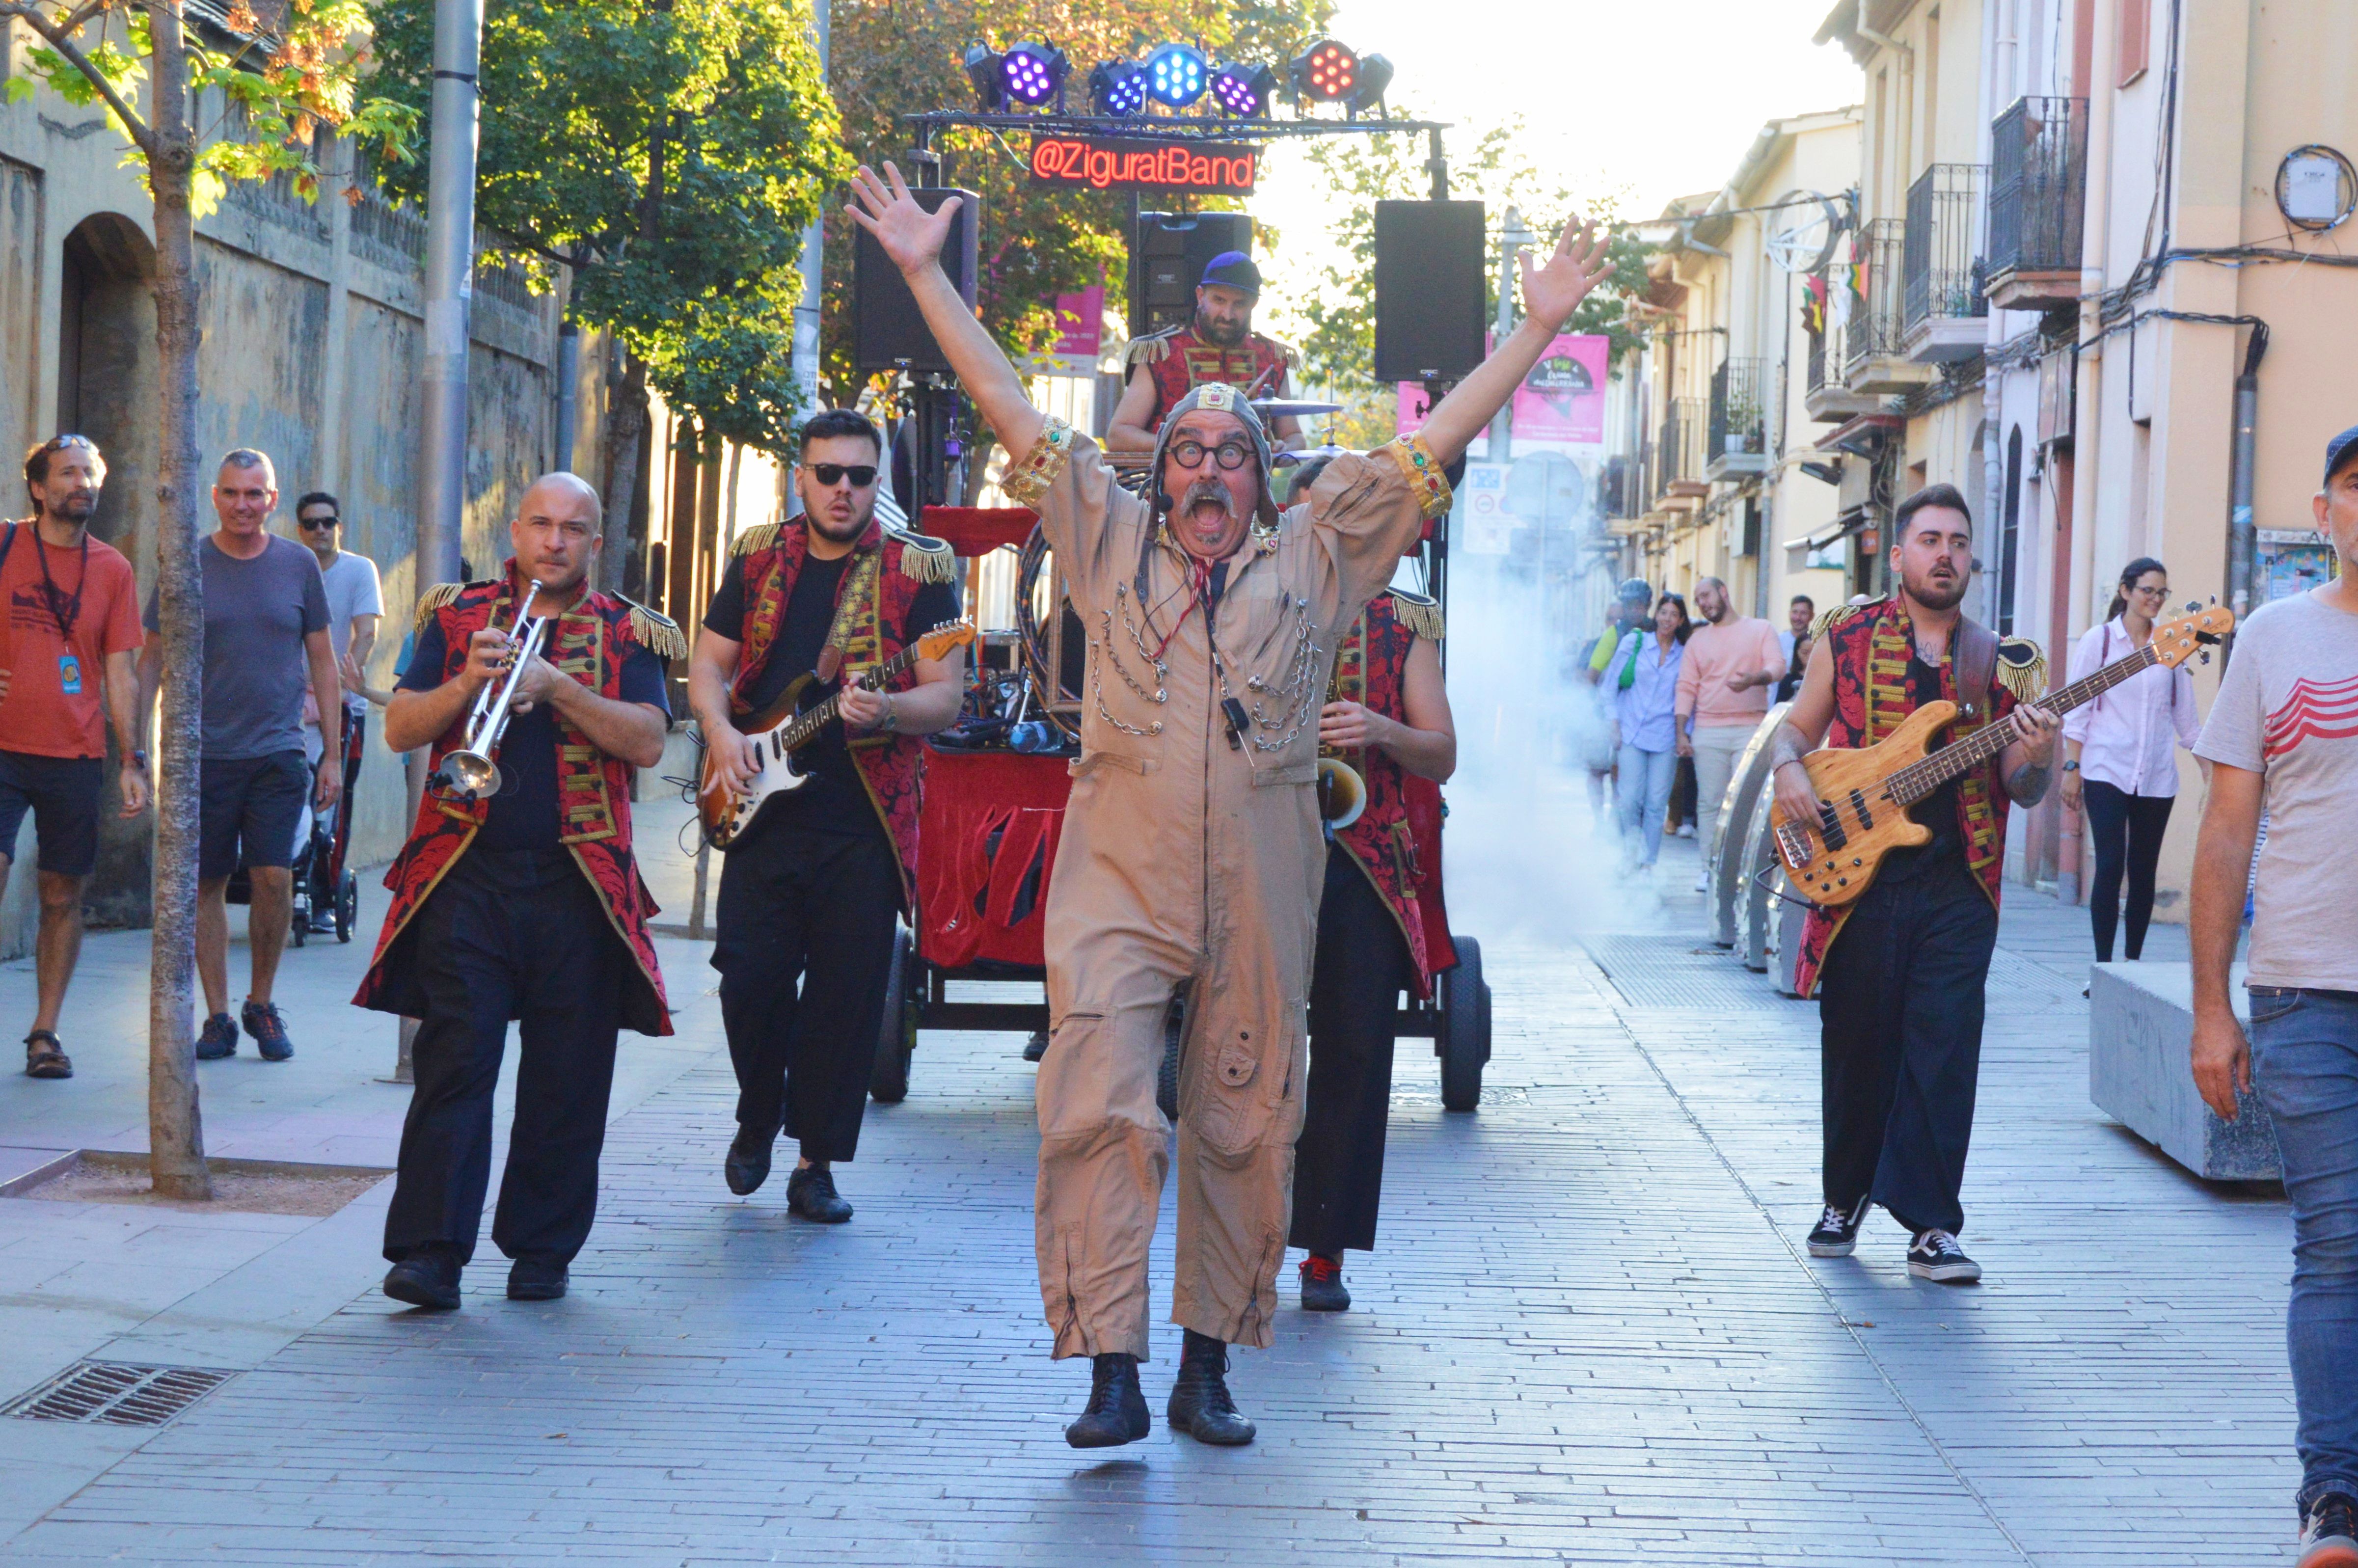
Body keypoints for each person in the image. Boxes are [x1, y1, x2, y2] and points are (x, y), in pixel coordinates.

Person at [847, 161, 1611, 1449]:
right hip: (1121, 877)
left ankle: (1207, 1359)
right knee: (1095, 1098)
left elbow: (1433, 444)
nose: (1205, 467)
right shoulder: (1104, 536)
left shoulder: (1319, 556)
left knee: (1247, 1113)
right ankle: (1108, 1365)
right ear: (1163, 475)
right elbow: (1007, 402)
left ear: (1262, 477)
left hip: (1261, 879)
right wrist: (923, 274)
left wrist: (1533, 328)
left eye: (1229, 452)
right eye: (1186, 449)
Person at [361, 472, 681, 1311]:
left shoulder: (627, 630)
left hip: (578, 884)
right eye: (540, 523)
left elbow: (648, 742)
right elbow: (399, 727)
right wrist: (470, 684)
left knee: (566, 1079)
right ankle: (430, 1253)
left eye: (573, 527)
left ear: (595, 541)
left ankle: (541, 1249)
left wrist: (561, 688)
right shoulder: (456, 614)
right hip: (466, 876)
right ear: (515, 528)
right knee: (454, 1064)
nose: (554, 541)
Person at [1768, 484, 2058, 1285]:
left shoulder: (2004, 661)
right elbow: (1795, 727)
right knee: (1857, 1040)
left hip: (1958, 881)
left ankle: (1932, 1224)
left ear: (1970, 557)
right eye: (1929, 538)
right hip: (1858, 877)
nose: (1944, 553)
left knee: (1943, 1046)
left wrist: (2036, 753)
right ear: (1897, 554)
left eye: (1958, 541)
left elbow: (2022, 789)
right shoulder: (1847, 636)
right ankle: (1843, 1194)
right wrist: (1790, 768)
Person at [687, 408, 963, 1224]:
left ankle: (815, 1162)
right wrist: (718, 731)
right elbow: (708, 662)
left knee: (845, 999)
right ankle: (756, 1111)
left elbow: (943, 698)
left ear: (880, 483)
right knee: (750, 978)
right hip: (760, 811)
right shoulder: (756, 555)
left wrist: (885, 711)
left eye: (860, 476)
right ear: (800, 475)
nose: (843, 490)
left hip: (865, 822)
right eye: (828, 473)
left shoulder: (921, 571)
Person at [2189, 425, 2358, 1568]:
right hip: (2304, 989)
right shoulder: (2273, 638)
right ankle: (2334, 1498)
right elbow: (2227, 827)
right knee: (2337, 1246)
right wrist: (2211, 1005)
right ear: (2324, 509)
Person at [137, 449, 342, 1062]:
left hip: (279, 751)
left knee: (274, 876)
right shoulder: (187, 563)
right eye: (232, 493)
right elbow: (152, 656)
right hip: (202, 755)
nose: (243, 505)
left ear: (273, 500)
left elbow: (325, 663)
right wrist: (134, 745)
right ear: (216, 497)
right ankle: (220, 1016)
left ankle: (262, 1002)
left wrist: (332, 754)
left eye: (256, 494)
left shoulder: (298, 563)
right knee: (206, 883)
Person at [1292, 553, 1456, 1312]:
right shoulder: (1253, 596)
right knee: (1242, 1047)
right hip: (1261, 849)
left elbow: (1442, 754)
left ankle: (1324, 1247)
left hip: (1365, 867)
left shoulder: (1406, 621)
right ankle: (1241, 1236)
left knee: (1354, 1052)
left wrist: (1379, 726)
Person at [0, 435, 148, 1079]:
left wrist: (131, 758)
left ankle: (44, 1032)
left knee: (63, 893)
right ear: (38, 487)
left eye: (90, 472)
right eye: (67, 473)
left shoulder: (113, 569)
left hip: (75, 753)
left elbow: (121, 670)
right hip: (2, 747)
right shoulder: (5, 545)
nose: (81, 483)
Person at [2060, 556, 2203, 963]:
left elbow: (2186, 721)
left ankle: (2133, 966)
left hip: (2156, 774)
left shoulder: (2173, 644)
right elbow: (2077, 708)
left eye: (2162, 593)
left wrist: (2212, 777)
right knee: (2109, 864)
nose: (2155, 600)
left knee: (2143, 873)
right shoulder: (2099, 641)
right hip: (2106, 767)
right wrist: (2072, 768)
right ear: (2125, 592)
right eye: (2147, 591)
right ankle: (2103, 967)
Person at [1105, 251, 1302, 455]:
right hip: (1174, 483)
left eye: (1239, 304)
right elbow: (1119, 435)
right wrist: (1181, 445)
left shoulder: (1272, 356)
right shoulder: (1162, 354)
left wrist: (1284, 449)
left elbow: (1294, 437)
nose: (1228, 315)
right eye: (1219, 300)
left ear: (1253, 304)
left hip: (1247, 484)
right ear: (1201, 296)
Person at [293, 491, 383, 933]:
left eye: (328, 522)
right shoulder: (290, 567)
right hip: (289, 704)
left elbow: (366, 630)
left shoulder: (358, 570)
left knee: (333, 803)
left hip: (344, 706)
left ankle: (326, 897)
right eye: (311, 524)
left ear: (338, 527)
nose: (320, 531)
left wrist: (350, 670)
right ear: (300, 530)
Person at [1675, 576, 1785, 890]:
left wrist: (1755, 679)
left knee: (1746, 803)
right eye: (1698, 600)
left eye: (1706, 595)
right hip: (1708, 730)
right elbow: (1685, 686)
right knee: (1710, 802)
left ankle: (1742, 869)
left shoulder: (1761, 629)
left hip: (1751, 728)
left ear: (1724, 592)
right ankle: (1709, 868)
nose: (1703, 603)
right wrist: (1681, 732)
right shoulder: (1697, 640)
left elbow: (1778, 665)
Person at [1604, 592, 1688, 872]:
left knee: (1655, 805)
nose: (1667, 619)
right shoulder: (1635, 643)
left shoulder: (1685, 654)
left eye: (1674, 615)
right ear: (1657, 615)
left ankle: (1648, 863)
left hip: (1664, 737)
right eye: (1663, 612)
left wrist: (1684, 733)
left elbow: (1689, 696)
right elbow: (1609, 686)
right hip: (1631, 733)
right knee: (1629, 800)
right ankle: (1629, 854)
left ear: (1681, 620)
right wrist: (1613, 723)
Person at [1580, 579, 1653, 823]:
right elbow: (1592, 676)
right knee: (1597, 768)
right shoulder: (1614, 635)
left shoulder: (1655, 633)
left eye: (1640, 605)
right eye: (1630, 605)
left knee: (1620, 772)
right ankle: (1599, 819)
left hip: (1636, 718)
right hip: (1606, 714)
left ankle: (1616, 819)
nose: (1635, 610)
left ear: (1648, 605)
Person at [1775, 633, 1812, 704]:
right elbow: (1780, 708)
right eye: (1805, 652)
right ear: (1797, 653)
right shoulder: (1788, 681)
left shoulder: (1829, 678)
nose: (1810, 657)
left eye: (1814, 652)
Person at [1781, 593, 1816, 664]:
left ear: (1812, 616)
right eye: (1795, 612)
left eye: (1803, 613)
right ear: (1789, 613)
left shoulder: (1818, 642)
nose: (1798, 618)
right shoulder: (1778, 641)